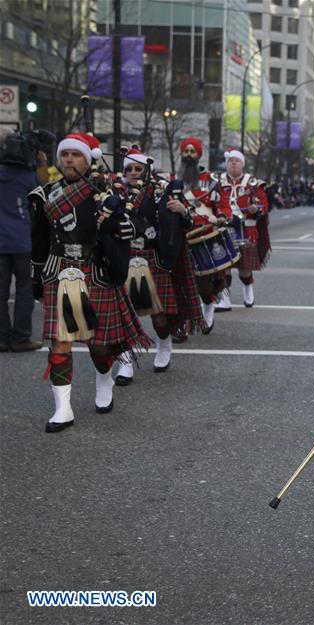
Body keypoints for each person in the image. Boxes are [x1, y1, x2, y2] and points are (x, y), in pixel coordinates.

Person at [30, 133, 151, 432]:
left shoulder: (108, 189)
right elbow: (40, 238)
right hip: (59, 271)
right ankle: (63, 409)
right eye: (65, 154)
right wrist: (36, 275)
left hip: (95, 271)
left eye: (76, 154)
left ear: (88, 158)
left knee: (100, 347)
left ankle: (104, 379)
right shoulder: (46, 194)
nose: (69, 159)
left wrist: (119, 223)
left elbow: (138, 222)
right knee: (60, 344)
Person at [113, 148, 206, 384]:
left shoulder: (162, 190)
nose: (134, 173)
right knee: (122, 315)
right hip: (122, 257)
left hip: (152, 257)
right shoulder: (115, 191)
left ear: (147, 169)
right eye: (129, 169)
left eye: (138, 168)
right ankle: (125, 362)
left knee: (158, 316)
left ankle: (164, 344)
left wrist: (182, 210)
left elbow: (189, 220)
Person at [174, 136, 228, 330]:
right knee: (179, 283)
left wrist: (221, 216)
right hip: (180, 237)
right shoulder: (173, 180)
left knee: (203, 283)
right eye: (186, 151)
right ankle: (182, 322)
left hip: (204, 234)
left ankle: (208, 303)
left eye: (192, 152)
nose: (188, 155)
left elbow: (222, 205)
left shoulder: (211, 181)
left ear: (198, 155)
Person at [0, 128, 42, 352]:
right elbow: (38, 205)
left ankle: (1, 337)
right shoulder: (27, 176)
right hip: (22, 241)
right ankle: (20, 337)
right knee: (25, 289)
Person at [217, 148, 270, 308]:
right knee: (224, 266)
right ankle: (224, 299)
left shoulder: (252, 183)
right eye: (230, 161)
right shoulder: (218, 182)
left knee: (244, 268)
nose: (233, 163)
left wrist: (257, 209)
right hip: (224, 229)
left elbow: (264, 204)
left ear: (242, 165)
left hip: (247, 230)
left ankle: (248, 287)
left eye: (237, 161)